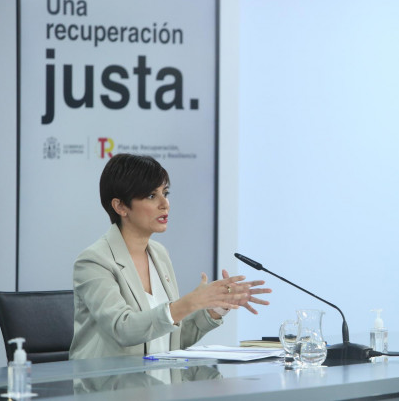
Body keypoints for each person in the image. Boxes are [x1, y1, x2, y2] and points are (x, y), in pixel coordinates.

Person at [69, 153, 271, 359]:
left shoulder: (159, 254)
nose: (164, 203)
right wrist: (191, 302)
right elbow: (122, 329)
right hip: (109, 387)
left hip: (160, 387)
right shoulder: (94, 261)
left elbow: (172, 340)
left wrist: (215, 308)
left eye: (165, 193)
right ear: (120, 206)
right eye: (151, 196)